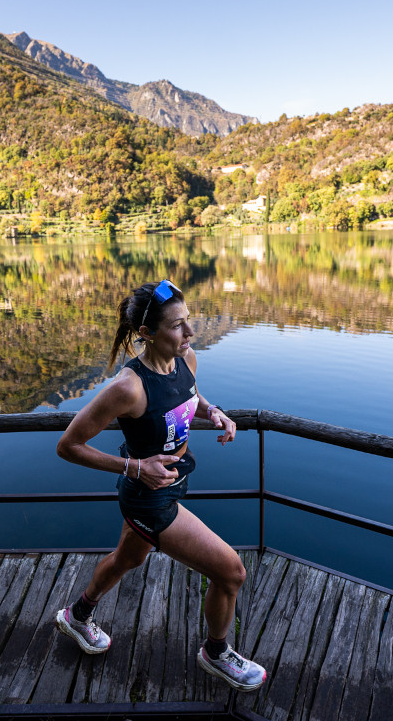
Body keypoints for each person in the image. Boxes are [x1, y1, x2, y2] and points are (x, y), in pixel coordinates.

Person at [53, 279, 267, 692]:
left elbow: (189, 398)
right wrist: (135, 467)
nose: (190, 333)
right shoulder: (128, 388)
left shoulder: (186, 360)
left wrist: (214, 412)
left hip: (173, 481)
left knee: (127, 559)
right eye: (176, 326)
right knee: (231, 573)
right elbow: (68, 446)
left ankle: (77, 616)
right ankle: (217, 653)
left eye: (188, 321)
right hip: (149, 499)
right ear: (146, 334)